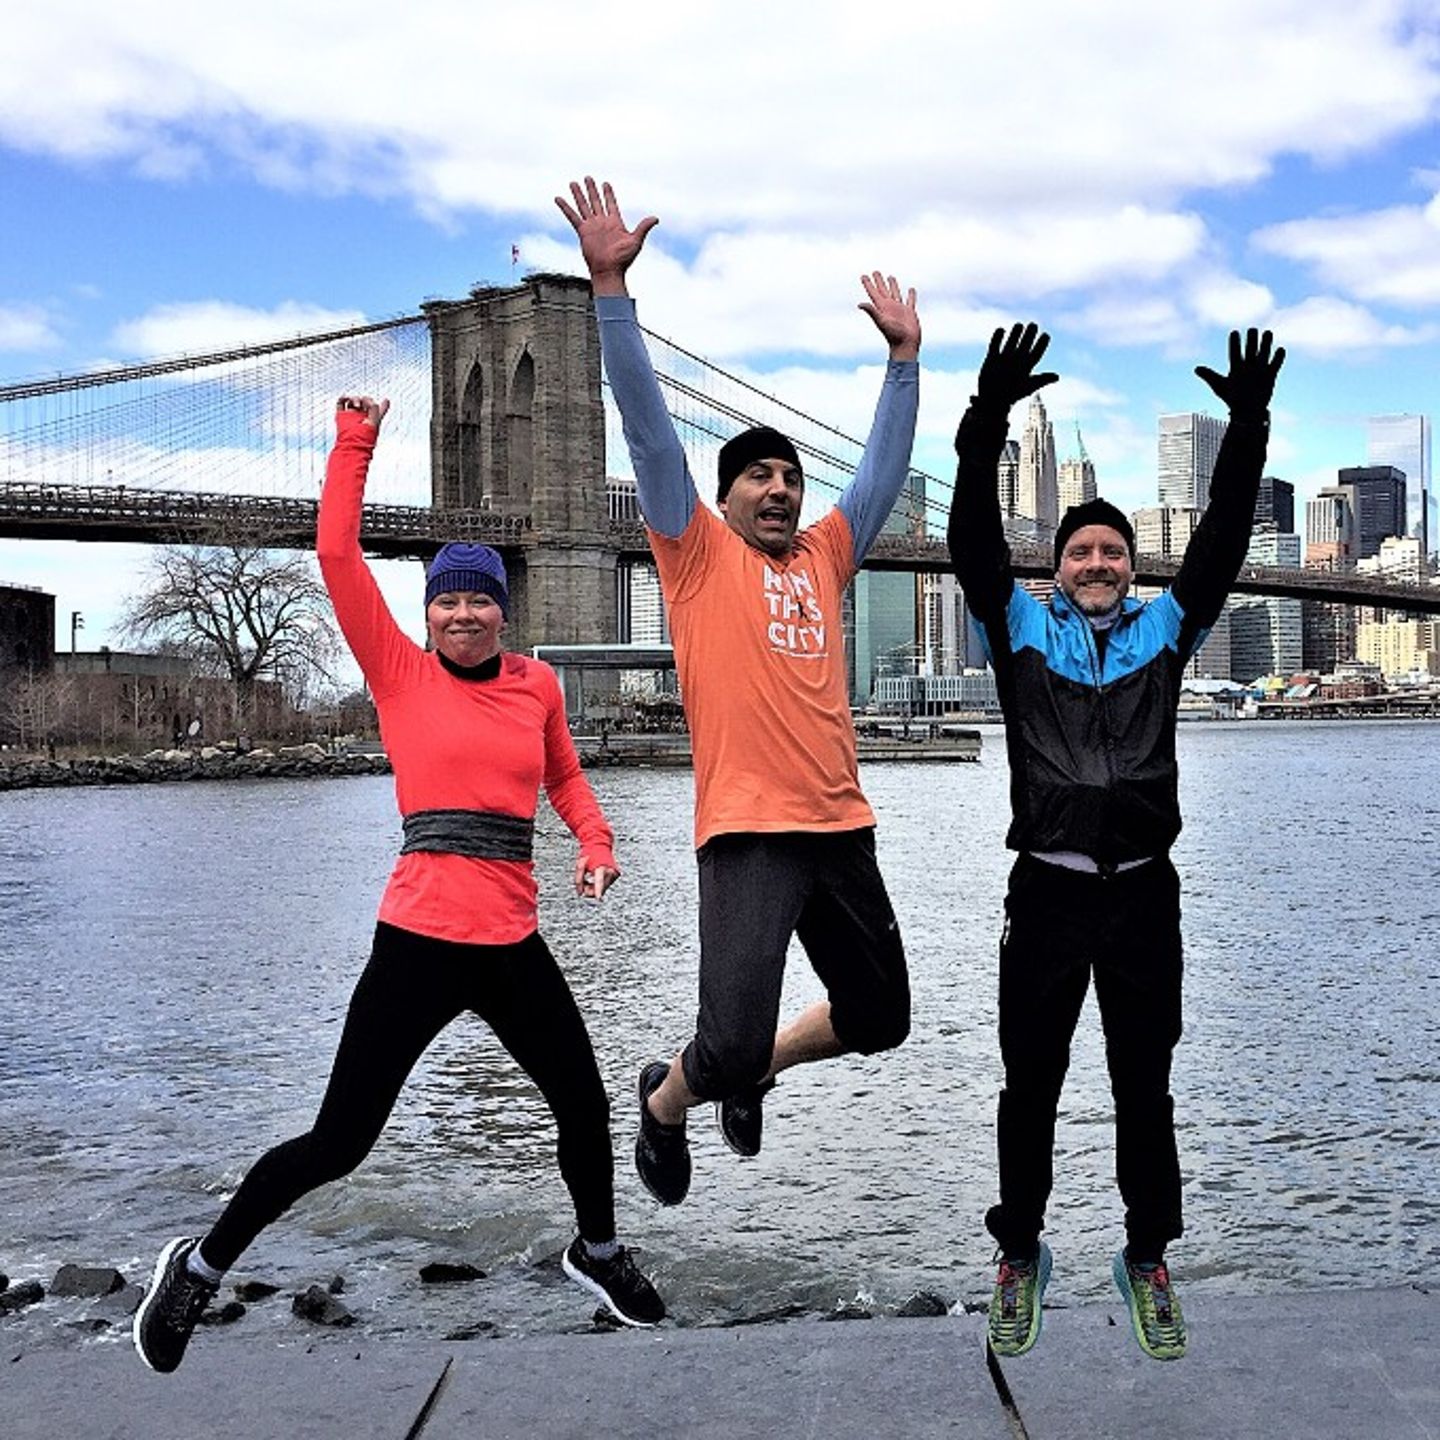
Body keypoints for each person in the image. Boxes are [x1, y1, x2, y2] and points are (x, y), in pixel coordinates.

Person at [133, 394, 664, 1374]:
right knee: (339, 1141)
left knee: (584, 1105)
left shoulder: (537, 687)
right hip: (417, 942)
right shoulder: (398, 673)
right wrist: (353, 443)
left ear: (506, 608)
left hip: (509, 943)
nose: (464, 613)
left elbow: (564, 776)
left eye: (481, 598)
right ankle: (199, 1269)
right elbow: (338, 556)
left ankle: (596, 1252)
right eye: (447, 600)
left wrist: (595, 841)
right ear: (428, 614)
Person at [556, 176, 918, 1206]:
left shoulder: (825, 556)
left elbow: (883, 475)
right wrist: (610, 291)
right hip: (751, 832)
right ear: (720, 499)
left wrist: (903, 362)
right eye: (758, 477)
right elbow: (647, 429)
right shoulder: (695, 555)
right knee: (719, 1042)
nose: (780, 488)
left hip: (840, 824)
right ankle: (665, 1104)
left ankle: (755, 1070)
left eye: (792, 478)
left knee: (881, 1015)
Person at [948, 324, 1284, 1361]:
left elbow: (1226, 534)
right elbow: (967, 536)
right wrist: (985, 419)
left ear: (1133, 570)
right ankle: (1020, 1253)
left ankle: (1147, 1257)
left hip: (1145, 893)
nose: (1097, 562)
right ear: (1055, 568)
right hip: (1045, 893)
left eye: (1113, 552)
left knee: (1146, 1083)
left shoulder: (1164, 630)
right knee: (1029, 1084)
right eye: (1081, 551)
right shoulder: (1020, 627)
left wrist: (1250, 426)